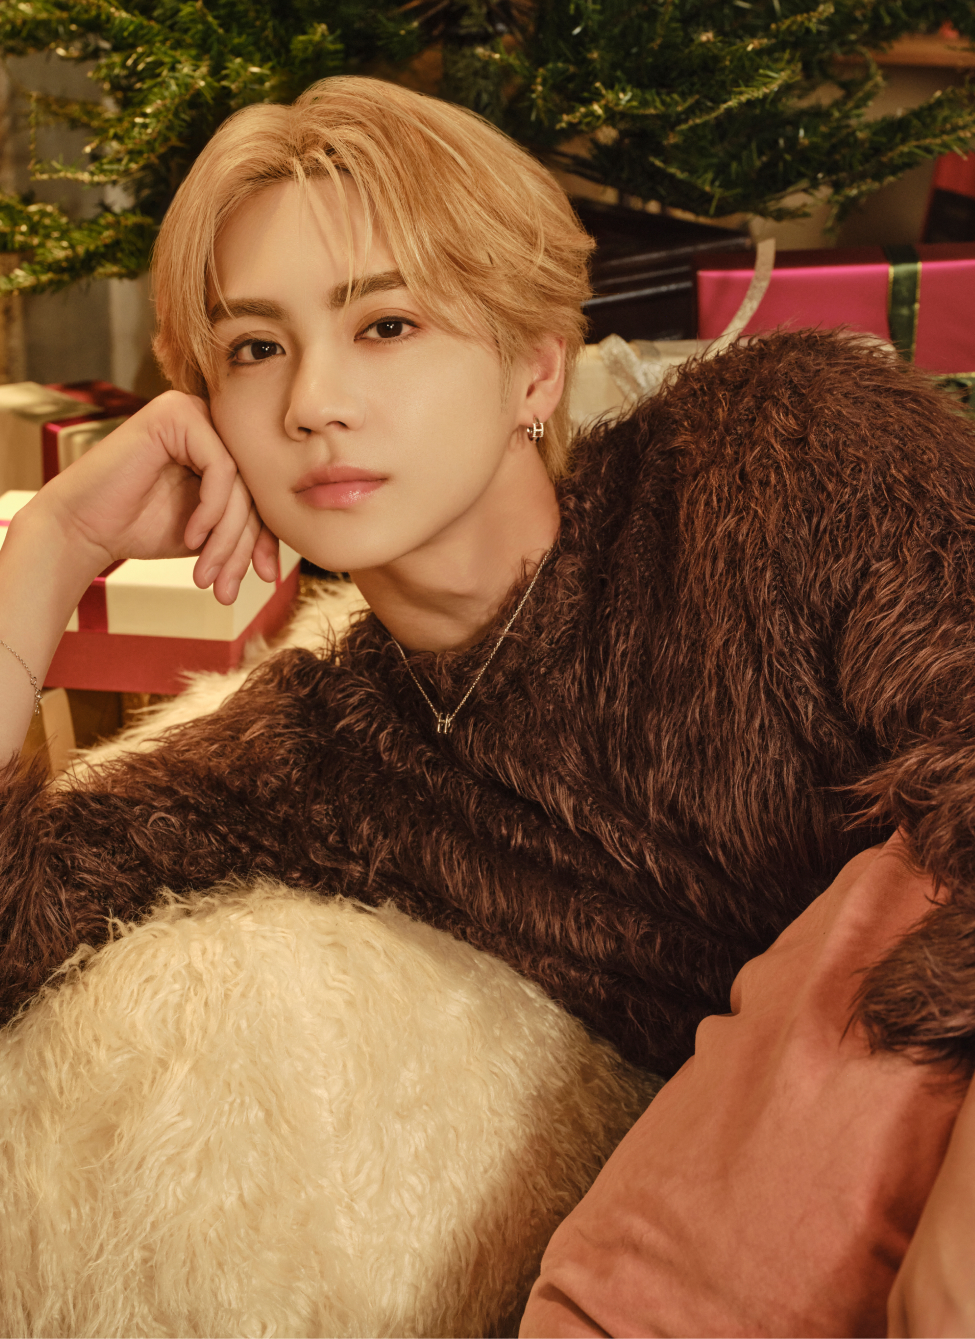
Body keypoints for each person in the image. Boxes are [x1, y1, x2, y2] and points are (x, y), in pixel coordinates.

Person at [1, 74, 974, 1331]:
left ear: (533, 369)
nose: (313, 401)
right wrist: (53, 548)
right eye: (256, 348)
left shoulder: (785, 449)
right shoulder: (320, 756)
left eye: (387, 324)